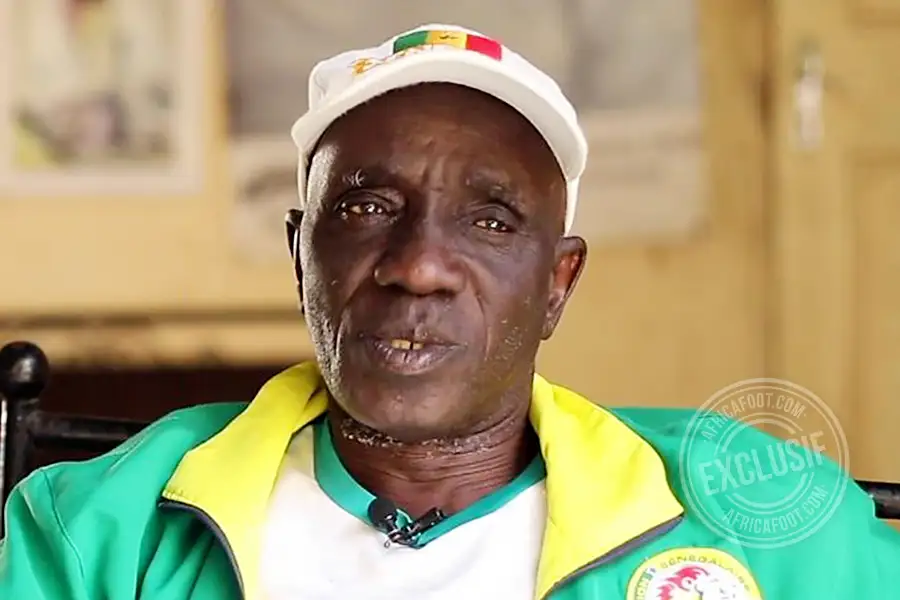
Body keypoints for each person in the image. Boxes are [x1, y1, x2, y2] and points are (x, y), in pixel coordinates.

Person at [2, 23, 899, 600]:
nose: (420, 265)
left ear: (557, 284)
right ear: (301, 256)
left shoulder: (762, 514)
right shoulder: (102, 531)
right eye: (367, 208)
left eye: (490, 220)